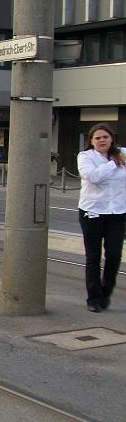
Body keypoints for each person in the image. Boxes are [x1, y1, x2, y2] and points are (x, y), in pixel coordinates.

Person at [77, 123, 126, 312]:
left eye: (105, 137)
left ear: (112, 138)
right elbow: (93, 177)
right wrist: (114, 163)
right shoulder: (86, 157)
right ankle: (94, 298)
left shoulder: (123, 153)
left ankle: (106, 292)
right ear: (91, 141)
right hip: (92, 212)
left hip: (117, 212)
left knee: (114, 254)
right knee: (93, 256)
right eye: (97, 138)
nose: (102, 140)